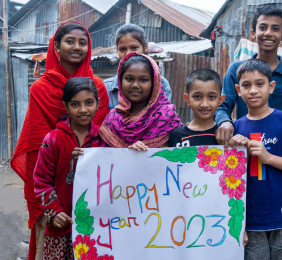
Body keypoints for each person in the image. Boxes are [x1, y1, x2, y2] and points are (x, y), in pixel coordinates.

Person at [10, 21, 110, 260]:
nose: (77, 47)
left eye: (83, 43)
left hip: (94, 186)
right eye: (70, 41)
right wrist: (66, 153)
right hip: (54, 181)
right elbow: (37, 141)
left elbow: (106, 137)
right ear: (56, 46)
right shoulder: (41, 89)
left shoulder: (98, 88)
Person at [229, 59, 282, 260]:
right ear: (238, 90)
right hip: (251, 219)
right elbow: (231, 181)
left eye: (260, 84)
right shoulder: (236, 128)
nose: (253, 90)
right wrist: (234, 151)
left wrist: (268, 158)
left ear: (271, 87)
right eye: (246, 85)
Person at [32, 77, 103, 259]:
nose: (83, 110)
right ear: (66, 107)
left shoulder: (105, 140)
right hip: (61, 226)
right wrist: (54, 212)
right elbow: (41, 182)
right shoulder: (53, 140)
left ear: (98, 103)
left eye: (89, 102)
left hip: (94, 227)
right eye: (75, 104)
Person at [215, 5, 282, 146]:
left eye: (275, 29)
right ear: (253, 33)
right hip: (244, 146)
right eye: (263, 27)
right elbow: (221, 106)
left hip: (280, 149)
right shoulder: (237, 70)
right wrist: (225, 122)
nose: (268, 33)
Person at [100, 52, 182, 148]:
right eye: (129, 79)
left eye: (143, 80)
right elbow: (103, 158)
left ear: (154, 83)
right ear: (120, 81)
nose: (135, 85)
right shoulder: (112, 119)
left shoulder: (166, 117)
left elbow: (178, 156)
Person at [104, 24, 172, 109]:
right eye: (122, 49)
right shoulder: (107, 88)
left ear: (145, 47)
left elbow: (164, 118)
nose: (128, 53)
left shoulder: (162, 85)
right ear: (117, 50)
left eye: (134, 48)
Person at [168, 69, 225, 148]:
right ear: (187, 99)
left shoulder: (225, 135)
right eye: (197, 96)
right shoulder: (176, 135)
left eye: (212, 97)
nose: (204, 104)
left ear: (220, 100)